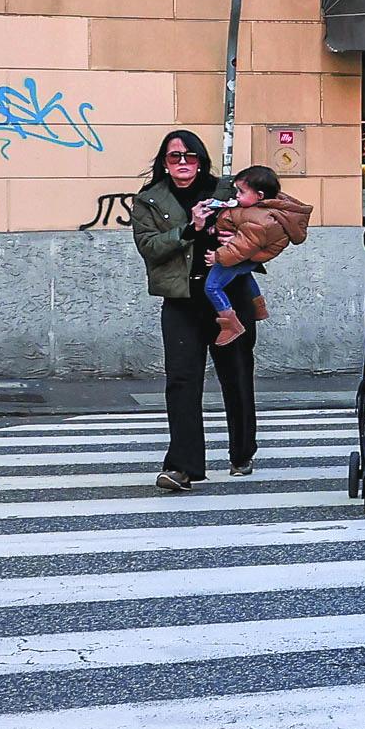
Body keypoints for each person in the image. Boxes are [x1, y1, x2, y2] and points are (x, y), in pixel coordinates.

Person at [130, 130, 259, 492]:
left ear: (201, 160)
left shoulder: (227, 190)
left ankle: (242, 450)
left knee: (236, 373)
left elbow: (262, 227)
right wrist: (192, 228)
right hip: (182, 300)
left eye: (190, 156)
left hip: (228, 297)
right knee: (182, 381)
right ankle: (182, 467)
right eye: (175, 157)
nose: (183, 163)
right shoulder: (149, 202)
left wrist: (233, 239)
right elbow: (150, 248)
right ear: (164, 164)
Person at [200, 165, 311, 347]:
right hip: (250, 257)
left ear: (259, 195)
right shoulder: (258, 208)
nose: (236, 196)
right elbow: (237, 222)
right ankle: (259, 308)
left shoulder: (261, 220)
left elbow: (242, 247)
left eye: (241, 192)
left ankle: (230, 324)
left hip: (244, 255)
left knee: (212, 287)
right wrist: (218, 228)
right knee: (245, 273)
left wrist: (218, 257)